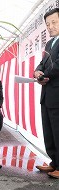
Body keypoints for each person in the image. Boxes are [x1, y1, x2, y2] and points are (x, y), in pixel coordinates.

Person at [34, 8, 59, 178]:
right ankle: (54, 163)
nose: (50, 27)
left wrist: (44, 74)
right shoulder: (50, 44)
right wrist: (37, 71)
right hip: (46, 95)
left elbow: (57, 65)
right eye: (48, 24)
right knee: (49, 131)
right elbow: (43, 63)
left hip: (57, 95)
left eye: (54, 22)